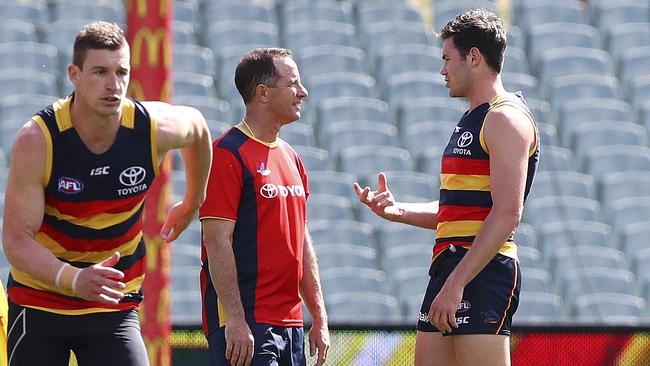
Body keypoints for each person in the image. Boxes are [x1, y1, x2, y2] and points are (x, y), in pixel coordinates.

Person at [2, 21, 212, 365]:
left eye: (121, 72)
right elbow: (15, 241)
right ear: (74, 74)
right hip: (40, 302)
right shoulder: (38, 140)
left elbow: (198, 128)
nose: (114, 85)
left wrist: (193, 202)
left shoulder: (150, 128)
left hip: (112, 305)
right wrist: (74, 279)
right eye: (100, 72)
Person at [354, 9, 539, 366]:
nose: (442, 70)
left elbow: (506, 215)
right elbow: (461, 211)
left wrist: (456, 284)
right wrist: (399, 211)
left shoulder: (504, 118)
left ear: (473, 57)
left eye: (446, 59)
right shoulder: (474, 117)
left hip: (480, 271)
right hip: (451, 265)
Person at [199, 48, 330, 366]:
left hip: (291, 324)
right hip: (247, 324)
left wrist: (319, 316)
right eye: (293, 84)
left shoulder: (292, 157)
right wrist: (236, 320)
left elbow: (301, 240)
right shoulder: (227, 153)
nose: (303, 92)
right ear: (263, 93)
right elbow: (216, 241)